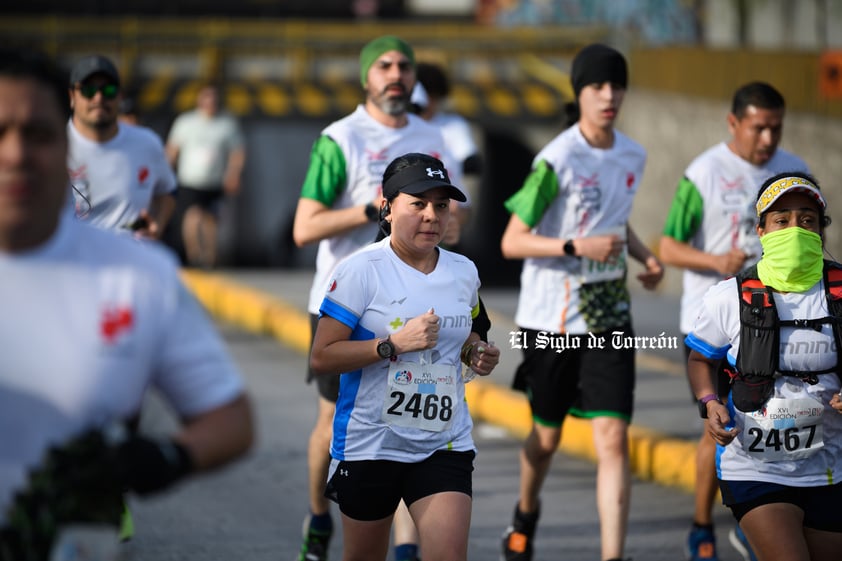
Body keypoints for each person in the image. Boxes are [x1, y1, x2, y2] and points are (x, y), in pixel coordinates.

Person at [0, 47, 254, 559]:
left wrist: (162, 458)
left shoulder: (142, 277)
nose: (17, 154)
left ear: (62, 151)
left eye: (38, 135)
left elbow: (232, 419)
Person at [291, 35, 462, 561]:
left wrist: (436, 223)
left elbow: (461, 218)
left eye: (404, 66)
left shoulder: (434, 134)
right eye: (383, 65)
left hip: (420, 303)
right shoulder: (339, 137)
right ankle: (321, 514)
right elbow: (304, 227)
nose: (395, 74)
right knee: (332, 423)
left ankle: (408, 548)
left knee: (415, 421)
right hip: (348, 307)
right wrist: (376, 213)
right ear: (367, 76)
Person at [499, 43, 663, 561]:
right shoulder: (556, 160)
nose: (609, 95)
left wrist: (645, 255)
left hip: (609, 311)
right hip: (551, 317)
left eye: (617, 86)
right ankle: (525, 513)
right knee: (545, 439)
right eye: (597, 86)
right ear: (580, 93)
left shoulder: (631, 154)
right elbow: (512, 240)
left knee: (612, 438)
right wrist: (575, 246)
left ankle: (612, 557)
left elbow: (615, 218)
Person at [310, 152, 499, 561]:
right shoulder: (361, 270)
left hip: (443, 441)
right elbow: (321, 357)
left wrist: (476, 353)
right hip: (371, 444)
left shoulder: (463, 270)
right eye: (418, 203)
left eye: (442, 205)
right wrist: (393, 344)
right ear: (388, 208)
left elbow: (467, 335)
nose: (432, 215)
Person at [659, 81, 808, 561]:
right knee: (724, 424)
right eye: (758, 127)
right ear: (734, 123)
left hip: (783, 325)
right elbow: (668, 246)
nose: (767, 138)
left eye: (776, 127)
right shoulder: (703, 173)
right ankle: (704, 526)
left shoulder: (795, 171)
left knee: (786, 419)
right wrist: (715, 261)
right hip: (719, 327)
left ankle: (769, 516)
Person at [686, 171, 842, 561]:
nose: (795, 228)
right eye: (781, 220)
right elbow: (700, 358)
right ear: (761, 230)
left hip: (829, 466)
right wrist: (709, 401)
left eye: (807, 220)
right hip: (754, 467)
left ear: (822, 231)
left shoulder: (839, 291)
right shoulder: (729, 296)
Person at [67, 54, 176, 240]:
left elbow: (167, 190)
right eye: (89, 90)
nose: (99, 98)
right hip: (72, 263)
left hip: (130, 262)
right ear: (72, 96)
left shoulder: (146, 143)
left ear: (120, 97)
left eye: (108, 90)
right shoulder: (52, 146)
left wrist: (157, 224)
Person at [165, 83, 246, 268]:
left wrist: (233, 174)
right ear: (199, 100)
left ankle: (209, 257)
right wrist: (166, 171)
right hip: (190, 179)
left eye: (214, 99)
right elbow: (172, 149)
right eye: (206, 98)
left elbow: (237, 152)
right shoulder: (186, 122)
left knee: (211, 219)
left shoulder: (226, 124)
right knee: (193, 216)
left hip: (214, 180)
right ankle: (194, 253)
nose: (210, 102)